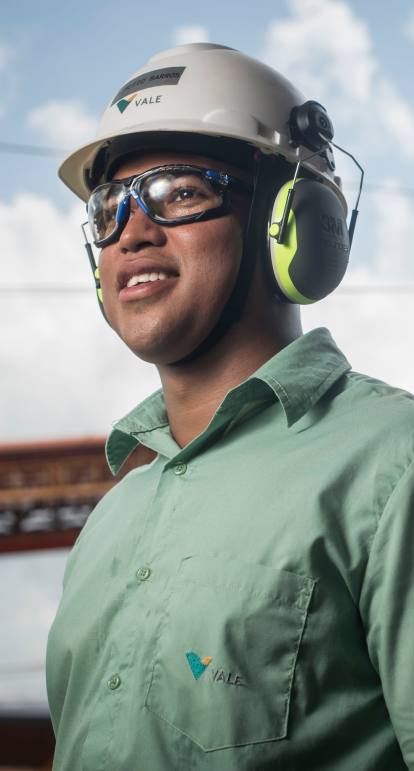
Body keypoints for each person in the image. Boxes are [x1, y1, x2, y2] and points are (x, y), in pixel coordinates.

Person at [46, 43, 414, 771]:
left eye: (180, 191)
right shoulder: (110, 524)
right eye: (108, 208)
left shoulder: (392, 467)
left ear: (297, 222)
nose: (132, 234)